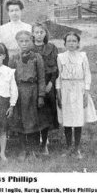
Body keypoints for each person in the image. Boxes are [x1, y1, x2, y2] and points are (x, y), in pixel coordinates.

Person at [56, 32, 97, 159]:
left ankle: (77, 148)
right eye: (69, 41)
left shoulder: (82, 56)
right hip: (65, 89)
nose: (71, 43)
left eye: (74, 41)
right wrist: (58, 93)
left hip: (79, 90)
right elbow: (58, 76)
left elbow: (87, 74)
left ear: (78, 43)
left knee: (78, 119)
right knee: (67, 119)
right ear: (64, 43)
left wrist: (86, 91)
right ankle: (69, 147)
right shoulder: (60, 57)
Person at [8, 31, 45, 161]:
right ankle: (22, 149)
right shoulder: (13, 58)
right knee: (21, 121)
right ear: (17, 42)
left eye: (27, 41)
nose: (24, 44)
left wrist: (41, 95)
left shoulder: (37, 57)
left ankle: (33, 150)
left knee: (33, 121)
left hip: (33, 91)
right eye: (21, 41)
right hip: (19, 92)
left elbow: (41, 78)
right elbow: (10, 78)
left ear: (31, 41)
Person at [32, 22, 59, 155]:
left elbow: (55, 69)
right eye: (36, 32)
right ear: (32, 33)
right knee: (36, 113)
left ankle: (45, 142)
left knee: (46, 114)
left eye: (41, 32)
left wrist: (51, 84)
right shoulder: (29, 48)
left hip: (48, 85)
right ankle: (37, 141)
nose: (39, 35)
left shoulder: (51, 48)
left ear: (45, 34)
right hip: (34, 86)